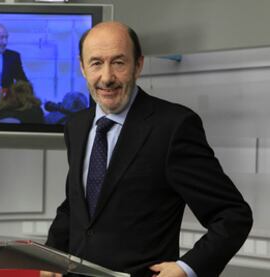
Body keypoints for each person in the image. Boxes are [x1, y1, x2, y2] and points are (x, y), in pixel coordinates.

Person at [44, 22, 253, 277]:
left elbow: (233, 215)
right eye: (96, 63)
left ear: (138, 65)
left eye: (119, 62)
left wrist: (187, 269)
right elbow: (76, 205)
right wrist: (50, 256)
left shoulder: (173, 126)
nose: (107, 77)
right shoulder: (76, 126)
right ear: (82, 67)